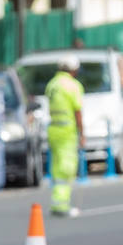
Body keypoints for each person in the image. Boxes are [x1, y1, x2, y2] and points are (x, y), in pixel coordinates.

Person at [45, 55, 84, 217]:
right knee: (66, 169)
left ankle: (56, 202)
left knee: (56, 168)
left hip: (53, 129)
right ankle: (62, 205)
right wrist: (82, 133)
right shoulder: (73, 86)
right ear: (74, 70)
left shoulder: (52, 84)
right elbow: (78, 111)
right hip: (67, 131)